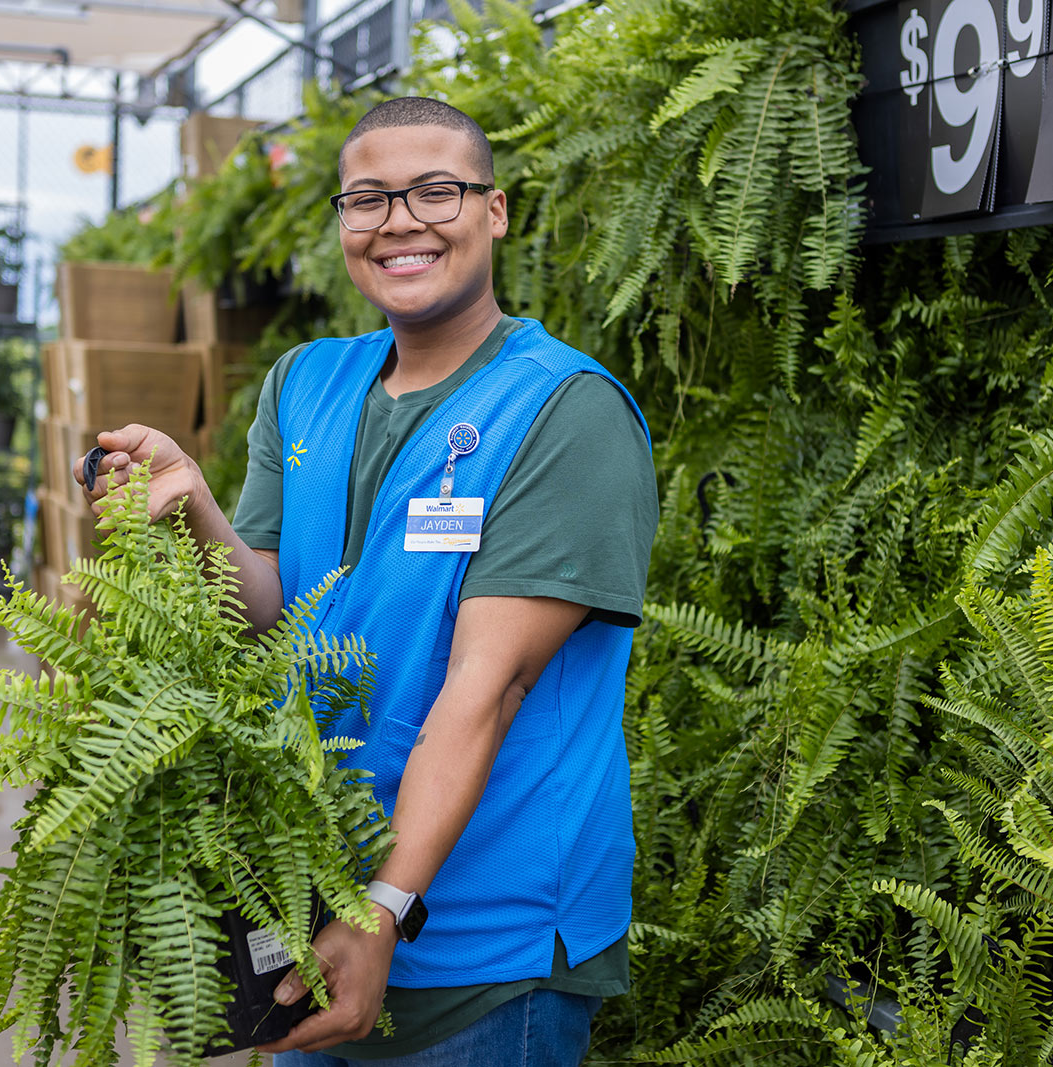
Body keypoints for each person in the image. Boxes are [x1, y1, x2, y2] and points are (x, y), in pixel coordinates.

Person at [74, 96, 658, 1066]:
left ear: (495, 209)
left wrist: (384, 905)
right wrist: (192, 508)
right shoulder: (307, 382)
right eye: (367, 198)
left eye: (436, 190)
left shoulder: (563, 410)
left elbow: (491, 683)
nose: (399, 220)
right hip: (310, 911)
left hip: (482, 952)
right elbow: (267, 611)